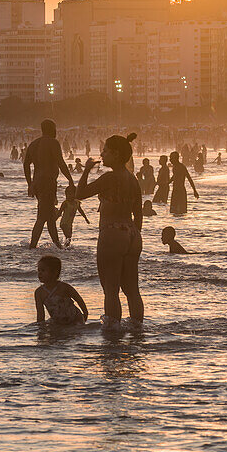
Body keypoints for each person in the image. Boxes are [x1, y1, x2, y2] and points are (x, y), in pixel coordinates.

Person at [76, 135, 143, 325]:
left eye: (105, 151)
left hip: (112, 233)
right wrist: (131, 235)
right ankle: (137, 331)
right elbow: (138, 215)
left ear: (116, 153)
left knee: (111, 289)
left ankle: (113, 336)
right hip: (132, 234)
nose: (102, 154)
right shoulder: (132, 179)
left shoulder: (110, 177)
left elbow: (79, 194)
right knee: (132, 290)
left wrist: (87, 170)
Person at [23, 119, 74, 248]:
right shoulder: (53, 142)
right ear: (52, 129)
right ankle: (32, 246)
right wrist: (70, 179)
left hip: (38, 183)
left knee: (50, 216)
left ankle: (58, 245)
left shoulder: (34, 144)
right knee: (42, 216)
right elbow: (61, 163)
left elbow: (26, 164)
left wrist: (30, 183)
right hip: (48, 182)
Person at [34, 255, 88, 326]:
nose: (39, 273)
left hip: (75, 319)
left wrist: (85, 313)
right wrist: (40, 329)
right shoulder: (39, 292)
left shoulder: (64, 287)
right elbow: (40, 314)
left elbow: (78, 299)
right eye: (39, 270)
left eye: (43, 270)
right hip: (58, 321)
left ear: (54, 272)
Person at [168, 151, 198, 215]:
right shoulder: (175, 167)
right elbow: (174, 176)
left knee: (181, 211)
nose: (170, 160)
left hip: (181, 191)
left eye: (171, 158)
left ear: (176, 158)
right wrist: (168, 182)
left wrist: (194, 191)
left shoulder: (181, 167)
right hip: (175, 190)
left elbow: (189, 178)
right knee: (173, 211)